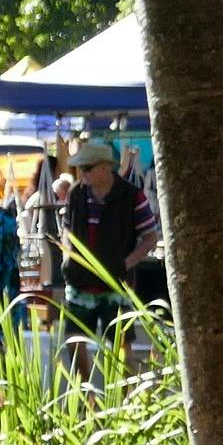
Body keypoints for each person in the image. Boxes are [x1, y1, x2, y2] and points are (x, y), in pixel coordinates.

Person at [58, 137, 159, 328]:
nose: (82, 173)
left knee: (120, 344)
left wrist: (125, 264)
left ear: (105, 168)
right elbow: (67, 228)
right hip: (79, 281)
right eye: (81, 168)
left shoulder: (133, 196)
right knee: (74, 340)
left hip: (116, 284)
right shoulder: (75, 194)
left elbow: (151, 237)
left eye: (87, 168)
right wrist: (68, 257)